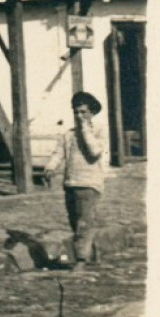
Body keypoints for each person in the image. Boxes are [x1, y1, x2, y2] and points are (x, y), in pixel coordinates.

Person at [43, 91, 111, 267]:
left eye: (83, 112)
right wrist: (50, 167)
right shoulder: (69, 134)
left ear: (92, 113)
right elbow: (59, 153)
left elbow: (94, 151)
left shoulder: (99, 131)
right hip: (71, 182)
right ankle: (92, 254)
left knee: (84, 222)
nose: (79, 116)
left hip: (89, 183)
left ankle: (81, 259)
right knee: (75, 221)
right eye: (76, 112)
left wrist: (85, 129)